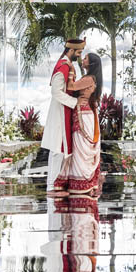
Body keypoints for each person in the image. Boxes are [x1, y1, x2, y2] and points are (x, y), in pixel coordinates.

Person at [52, 52, 103, 196]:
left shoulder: (89, 79)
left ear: (91, 63)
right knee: (79, 148)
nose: (83, 59)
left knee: (81, 148)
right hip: (83, 113)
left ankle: (82, 183)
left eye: (85, 58)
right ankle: (79, 183)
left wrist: (70, 69)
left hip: (84, 115)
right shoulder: (89, 78)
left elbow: (71, 86)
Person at [42, 39, 84, 192]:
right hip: (60, 111)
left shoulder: (67, 65)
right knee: (57, 149)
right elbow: (56, 92)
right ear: (71, 50)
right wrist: (75, 101)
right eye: (78, 52)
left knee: (59, 149)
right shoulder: (63, 66)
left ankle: (54, 184)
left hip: (64, 109)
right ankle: (52, 185)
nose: (79, 56)